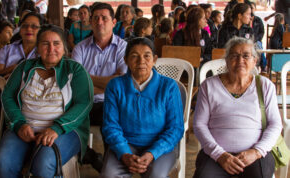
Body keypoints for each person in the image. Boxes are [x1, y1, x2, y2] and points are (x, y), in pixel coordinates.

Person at [0, 24, 93, 178]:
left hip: (65, 131)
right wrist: (19, 124)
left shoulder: (75, 70)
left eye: (56, 43)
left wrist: (56, 129)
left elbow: (84, 103)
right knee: (2, 163)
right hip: (24, 128)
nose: (51, 48)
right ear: (37, 48)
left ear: (64, 48)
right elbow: (7, 96)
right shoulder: (24, 68)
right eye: (45, 44)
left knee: (44, 164)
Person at [193, 37, 282, 178]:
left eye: (246, 56)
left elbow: (275, 124)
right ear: (226, 61)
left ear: (254, 61)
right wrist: (220, 155)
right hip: (216, 155)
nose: (240, 60)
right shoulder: (209, 86)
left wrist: (256, 151)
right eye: (234, 56)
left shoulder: (264, 85)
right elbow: (199, 124)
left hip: (255, 155)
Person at [100, 37, 184, 178]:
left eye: (147, 56)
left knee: (156, 176)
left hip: (160, 147)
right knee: (109, 175)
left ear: (154, 59)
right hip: (126, 144)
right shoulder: (115, 86)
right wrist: (124, 153)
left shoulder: (168, 87)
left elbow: (176, 128)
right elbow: (110, 126)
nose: (141, 61)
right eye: (134, 56)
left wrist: (153, 153)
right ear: (126, 60)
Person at [72, 2, 127, 172]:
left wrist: (87, 79)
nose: (100, 21)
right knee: (61, 122)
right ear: (90, 21)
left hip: (110, 103)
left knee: (110, 122)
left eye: (104, 18)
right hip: (82, 103)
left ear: (114, 22)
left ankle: (112, 167)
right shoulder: (80, 48)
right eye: (95, 18)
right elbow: (75, 84)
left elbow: (121, 84)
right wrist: (109, 83)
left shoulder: (123, 48)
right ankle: (91, 157)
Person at [0, 12, 42, 78]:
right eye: (25, 25)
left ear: (41, 30)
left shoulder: (45, 51)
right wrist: (11, 69)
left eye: (34, 26)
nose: (29, 29)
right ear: (20, 30)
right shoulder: (7, 50)